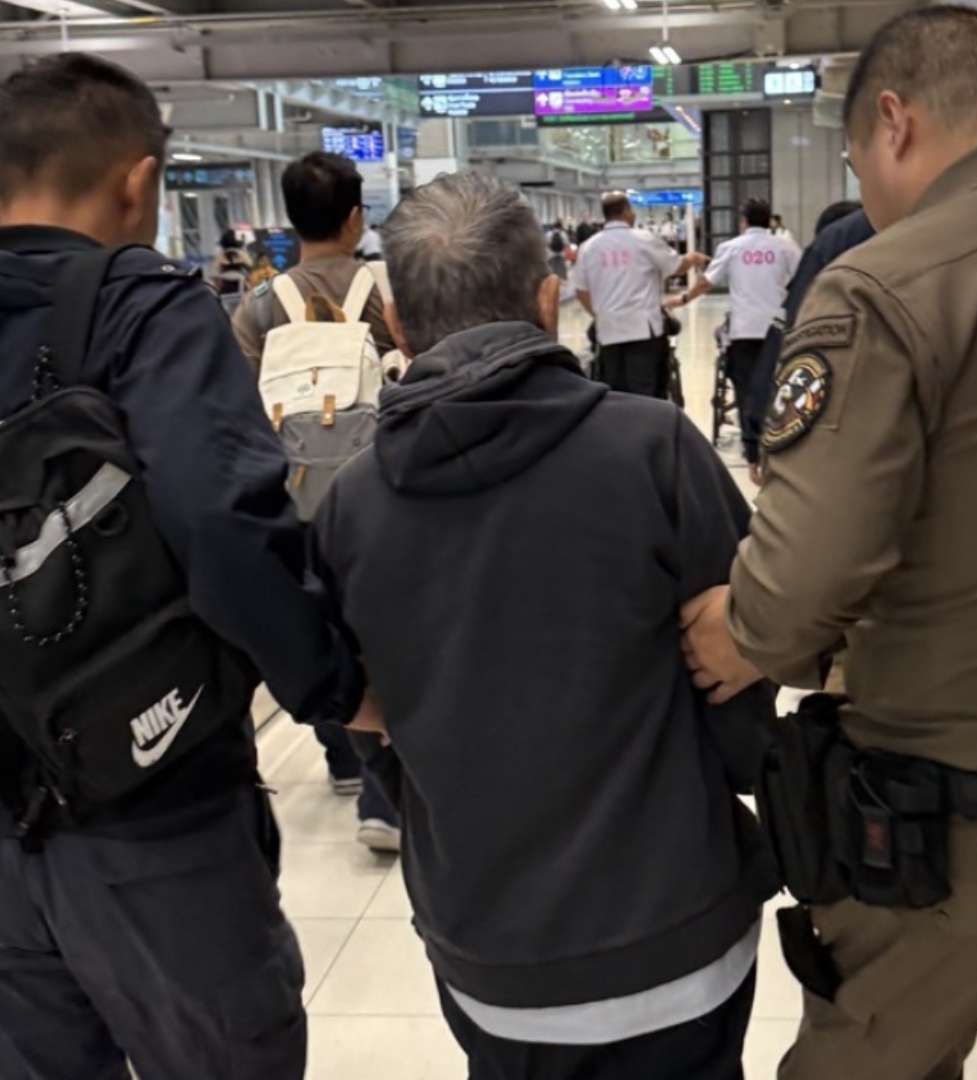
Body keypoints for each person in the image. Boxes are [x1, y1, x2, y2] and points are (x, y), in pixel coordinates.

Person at [678, 7, 977, 1078]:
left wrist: (736, 629)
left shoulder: (886, 288)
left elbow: (797, 593)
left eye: (860, 165)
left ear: (894, 121)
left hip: (944, 844)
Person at [310, 172, 775, 1079]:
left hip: (490, 952)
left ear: (396, 326)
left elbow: (368, 717)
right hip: (678, 932)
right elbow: (740, 680)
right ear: (549, 301)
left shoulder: (351, 506)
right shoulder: (657, 450)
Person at [0, 52, 374, 1078]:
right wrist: (337, 689)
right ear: (137, 182)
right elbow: (222, 521)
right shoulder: (139, 306)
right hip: (149, 808)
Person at [229, 149, 401, 852]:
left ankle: (343, 759)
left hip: (295, 493)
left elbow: (241, 411)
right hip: (382, 491)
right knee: (382, 626)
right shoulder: (388, 290)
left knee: (318, 622)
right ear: (356, 217)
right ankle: (386, 793)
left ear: (289, 218)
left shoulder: (258, 305)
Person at [745, 199, 875, 484]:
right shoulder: (919, 233)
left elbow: (784, 341)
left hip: (831, 427)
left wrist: (754, 435)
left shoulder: (831, 244)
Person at [672, 197, 799, 461]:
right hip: (777, 328)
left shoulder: (731, 247)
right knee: (777, 382)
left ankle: (750, 441)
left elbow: (706, 282)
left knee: (745, 386)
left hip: (744, 329)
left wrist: (683, 298)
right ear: (769, 221)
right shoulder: (785, 246)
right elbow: (802, 279)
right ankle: (778, 435)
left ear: (743, 221)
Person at [572, 192, 706, 398]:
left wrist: (600, 315)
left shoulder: (588, 248)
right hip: (643, 332)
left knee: (616, 396)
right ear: (625, 211)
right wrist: (692, 258)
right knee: (647, 395)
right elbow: (676, 266)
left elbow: (581, 291)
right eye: (631, 209)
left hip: (609, 334)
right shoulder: (643, 239)